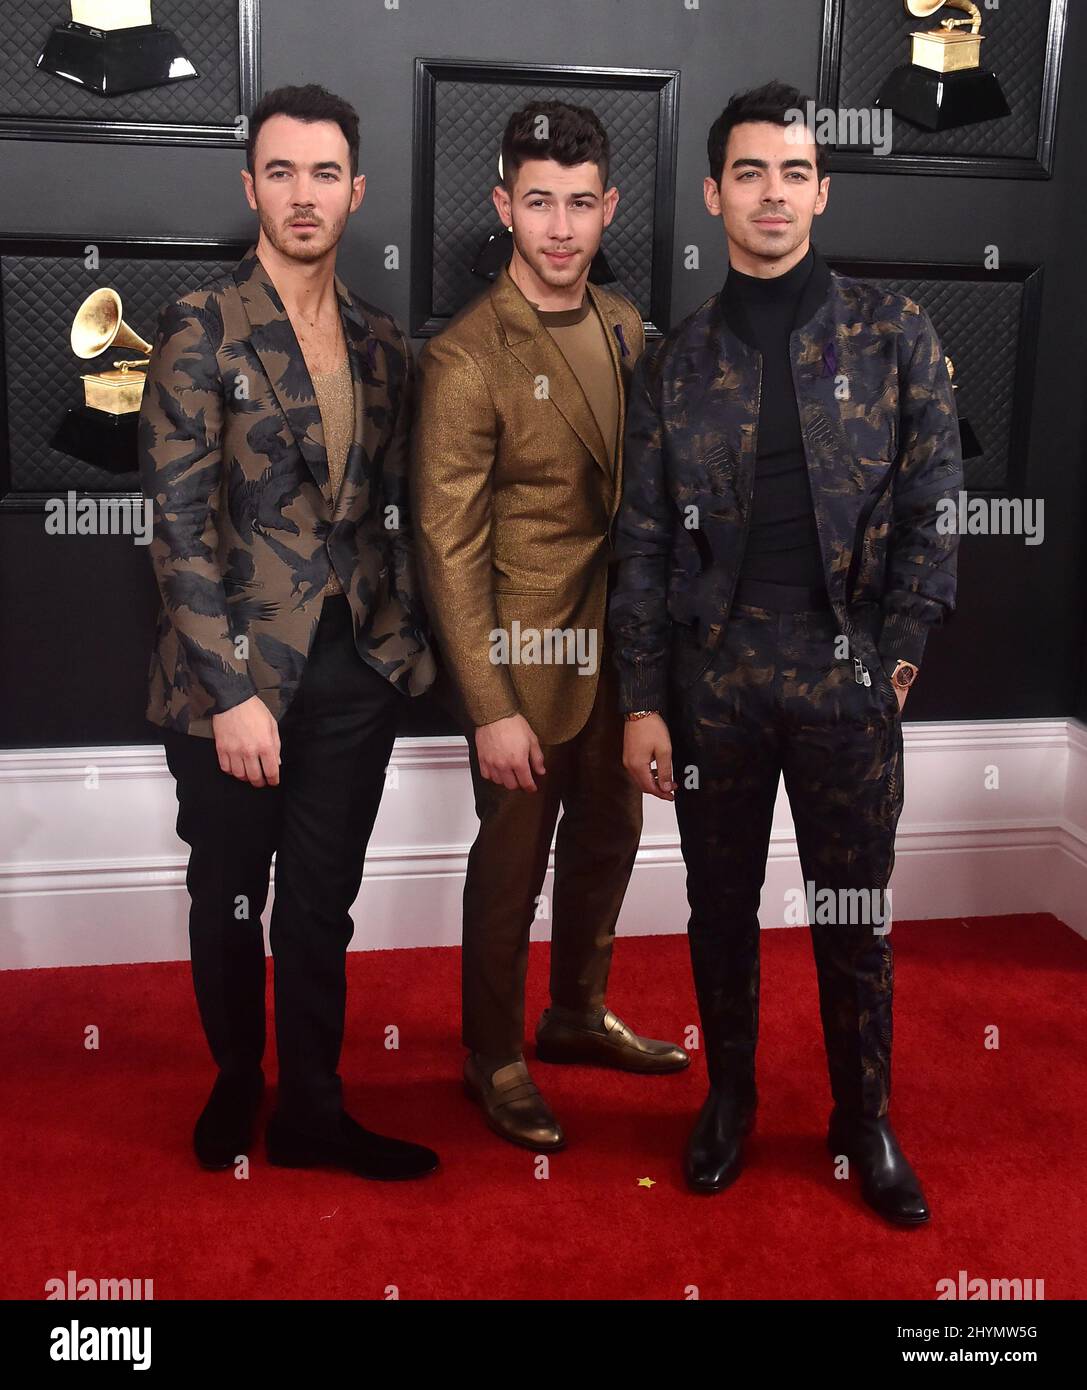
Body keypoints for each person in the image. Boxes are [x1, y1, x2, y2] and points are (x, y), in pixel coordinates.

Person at [610, 81, 962, 1222]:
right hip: (714, 681)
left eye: (794, 171)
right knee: (719, 905)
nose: (773, 192)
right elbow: (645, 542)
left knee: (854, 914)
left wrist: (896, 659)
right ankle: (730, 1101)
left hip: (846, 676)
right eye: (750, 172)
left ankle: (863, 1119)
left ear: (820, 189)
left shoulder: (894, 335)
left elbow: (934, 510)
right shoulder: (675, 362)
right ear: (714, 193)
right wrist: (642, 701)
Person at [139, 83, 439, 1181]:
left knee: (322, 904)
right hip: (230, 681)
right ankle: (237, 1081)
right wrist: (233, 694)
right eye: (280, 171)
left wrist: (399, 650)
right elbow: (175, 529)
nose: (302, 194)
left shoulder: (380, 342)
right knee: (228, 896)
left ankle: (315, 1106)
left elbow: (393, 509)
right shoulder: (195, 329)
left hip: (353, 671)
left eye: (323, 174)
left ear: (354, 191)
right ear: (250, 185)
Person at [412, 101, 689, 1153]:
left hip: (621, 646)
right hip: (523, 659)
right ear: (504, 207)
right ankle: (493, 1054)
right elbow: (444, 546)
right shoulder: (466, 355)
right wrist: (487, 705)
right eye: (539, 203)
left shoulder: (623, 324)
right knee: (511, 864)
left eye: (580, 203)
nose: (562, 227)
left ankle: (574, 1013)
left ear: (607, 205)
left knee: (610, 838)